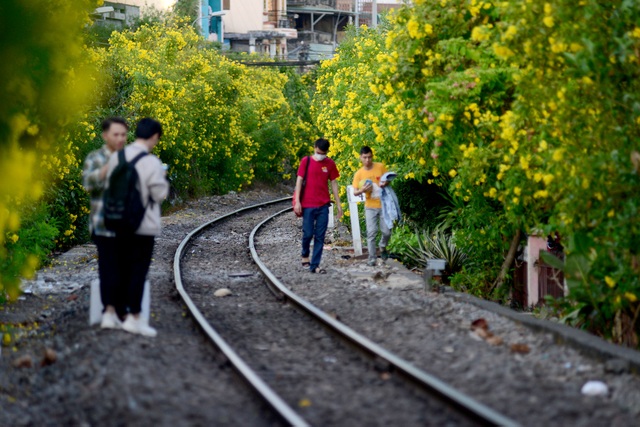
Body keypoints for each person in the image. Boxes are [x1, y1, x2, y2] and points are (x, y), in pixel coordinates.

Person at [105, 117, 169, 337]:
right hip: (143, 226)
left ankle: (116, 313)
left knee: (120, 268)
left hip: (118, 223)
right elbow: (159, 194)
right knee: (137, 271)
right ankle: (133, 317)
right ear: (153, 137)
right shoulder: (151, 162)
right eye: (157, 139)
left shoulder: (117, 157)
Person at [82, 117, 128, 329]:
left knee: (125, 268)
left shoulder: (131, 158)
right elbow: (89, 183)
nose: (120, 138)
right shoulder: (96, 157)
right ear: (105, 136)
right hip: (103, 224)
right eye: (116, 134)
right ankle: (109, 310)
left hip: (128, 224)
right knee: (108, 267)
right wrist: (109, 168)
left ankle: (121, 310)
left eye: (123, 134)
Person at [294, 138, 343, 273]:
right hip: (308, 205)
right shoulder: (306, 161)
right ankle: (304, 254)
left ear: (327, 151)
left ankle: (314, 265)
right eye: (318, 152)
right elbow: (299, 180)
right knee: (308, 233)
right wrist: (297, 201)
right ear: (314, 148)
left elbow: (334, 184)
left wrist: (338, 204)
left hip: (323, 205)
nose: (320, 155)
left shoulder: (330, 164)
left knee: (320, 236)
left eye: (322, 153)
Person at [352, 146, 391, 266]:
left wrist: (385, 183)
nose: (367, 160)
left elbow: (388, 179)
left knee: (387, 232)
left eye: (369, 157)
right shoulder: (359, 174)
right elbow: (355, 191)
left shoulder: (380, 167)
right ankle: (372, 257)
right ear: (360, 158)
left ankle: (383, 246)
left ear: (372, 156)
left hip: (384, 205)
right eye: (365, 157)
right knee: (371, 232)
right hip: (370, 206)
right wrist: (362, 190)